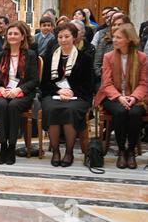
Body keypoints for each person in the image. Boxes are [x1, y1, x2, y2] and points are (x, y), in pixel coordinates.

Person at [94, 23, 147, 169]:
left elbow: (143, 83)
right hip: (112, 96)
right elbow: (106, 83)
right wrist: (119, 97)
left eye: (118, 37)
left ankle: (131, 152)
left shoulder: (141, 58)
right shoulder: (108, 56)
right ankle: (121, 151)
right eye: (114, 37)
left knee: (135, 112)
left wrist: (134, 97)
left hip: (135, 97)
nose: (114, 40)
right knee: (120, 111)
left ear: (129, 39)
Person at [40, 23, 93, 167]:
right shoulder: (50, 57)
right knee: (51, 108)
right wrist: (58, 91)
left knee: (70, 109)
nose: (63, 40)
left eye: (67, 36)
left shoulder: (85, 58)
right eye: (60, 37)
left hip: (78, 96)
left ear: (74, 37)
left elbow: (88, 85)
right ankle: (56, 151)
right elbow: (44, 83)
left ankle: (69, 152)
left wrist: (71, 92)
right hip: (53, 94)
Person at [0, 21, 38, 165]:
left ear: (22, 37)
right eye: (10, 33)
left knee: (13, 106)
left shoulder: (30, 55)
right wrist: (0, 89)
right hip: (3, 91)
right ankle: (3, 146)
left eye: (16, 33)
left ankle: (11, 147)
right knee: (1, 105)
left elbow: (34, 80)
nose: (12, 36)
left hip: (22, 92)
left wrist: (18, 90)